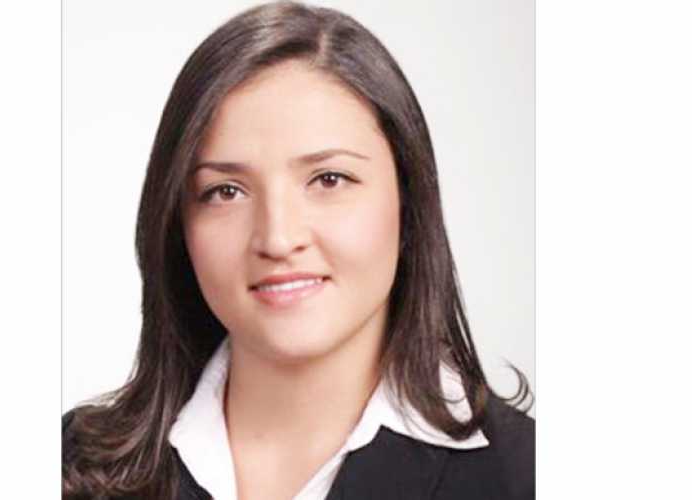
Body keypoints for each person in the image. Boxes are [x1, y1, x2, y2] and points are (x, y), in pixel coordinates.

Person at [62, 2, 534, 499]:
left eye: (329, 179)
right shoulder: (68, 467)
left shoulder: (527, 477)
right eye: (226, 191)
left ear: (408, 201)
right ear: (178, 224)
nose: (278, 238)